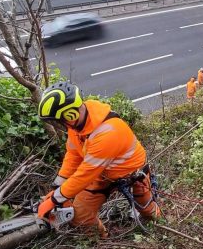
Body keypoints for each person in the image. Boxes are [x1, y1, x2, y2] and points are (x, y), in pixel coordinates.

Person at [37, 82, 162, 237]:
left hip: (132, 173)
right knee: (80, 216)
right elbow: (73, 154)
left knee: (147, 209)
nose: (60, 125)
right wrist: (57, 186)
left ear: (70, 114)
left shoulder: (108, 131)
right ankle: (101, 240)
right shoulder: (76, 125)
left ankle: (161, 229)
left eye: (60, 120)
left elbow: (84, 174)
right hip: (101, 174)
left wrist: (54, 200)